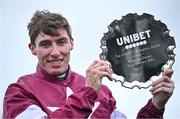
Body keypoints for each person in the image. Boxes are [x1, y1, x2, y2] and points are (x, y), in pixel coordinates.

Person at [3, 10, 174, 119]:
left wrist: (156, 106)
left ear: (71, 43)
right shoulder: (19, 92)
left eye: (61, 42)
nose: (55, 52)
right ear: (33, 48)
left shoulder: (103, 92)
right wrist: (89, 92)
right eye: (46, 44)